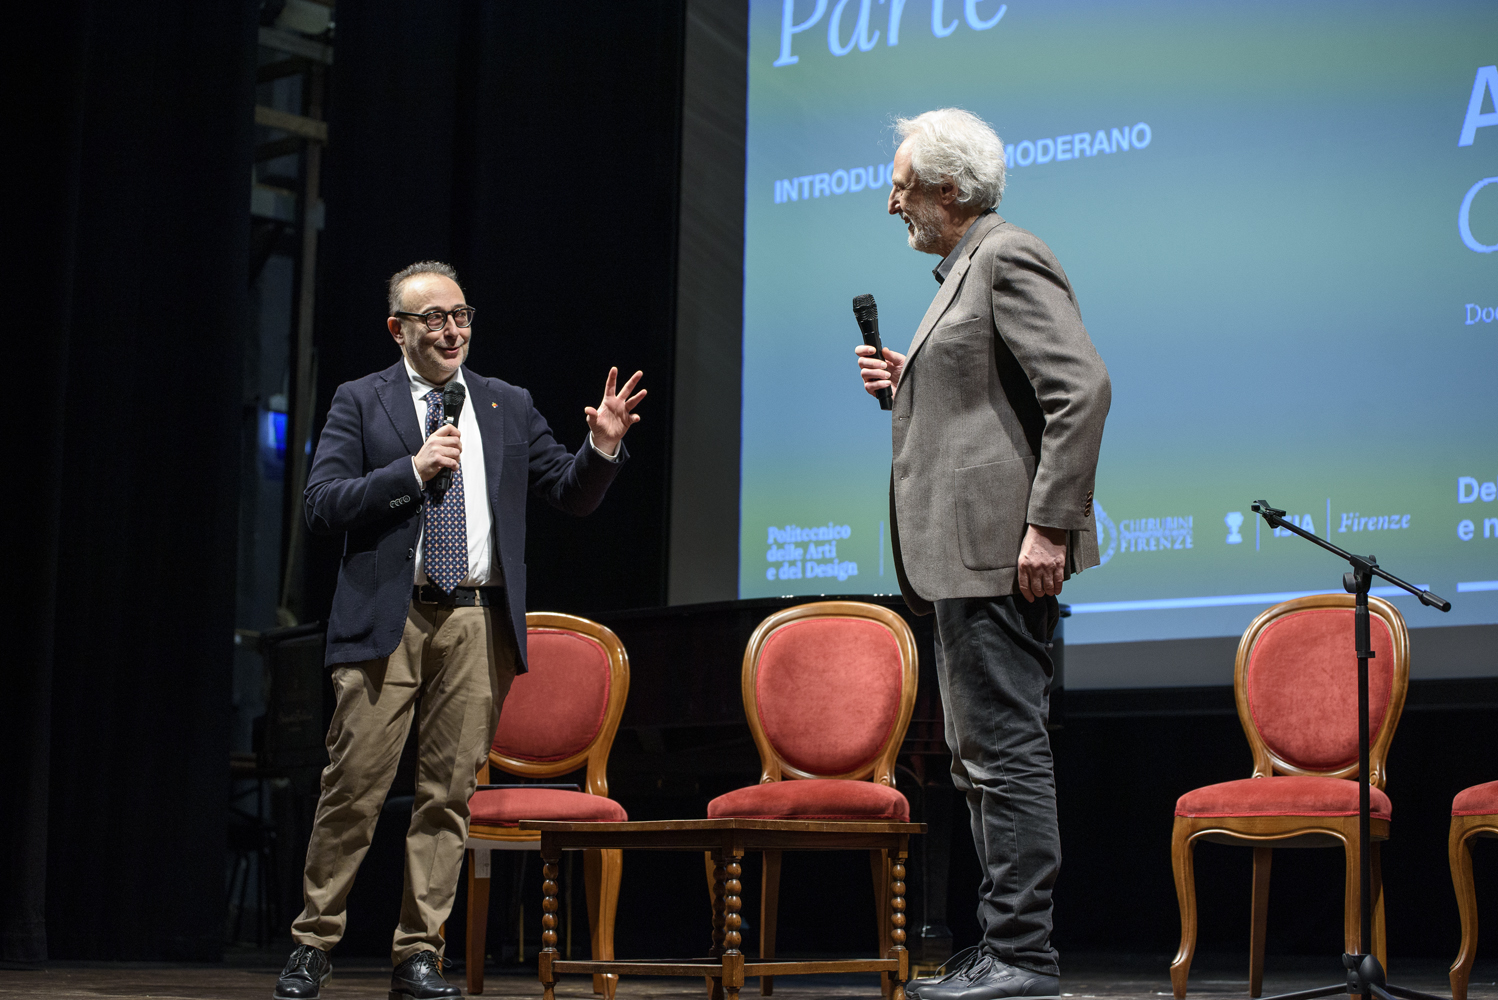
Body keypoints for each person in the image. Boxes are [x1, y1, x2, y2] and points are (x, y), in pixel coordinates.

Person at [274, 261, 645, 1000]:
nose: (453, 330)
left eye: (462, 316)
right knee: (353, 789)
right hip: (389, 620)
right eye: (435, 318)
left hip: (476, 620)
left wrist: (601, 448)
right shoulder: (361, 400)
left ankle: (419, 954)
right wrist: (410, 472)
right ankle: (313, 944)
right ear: (398, 329)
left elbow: (567, 493)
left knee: (446, 796)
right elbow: (321, 504)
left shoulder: (506, 403)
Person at [855, 109, 1110, 1000]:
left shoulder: (1007, 255)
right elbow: (987, 402)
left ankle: (1023, 956)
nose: (892, 203)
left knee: (1004, 755)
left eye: (903, 187)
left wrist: (1049, 526)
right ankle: (1005, 946)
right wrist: (912, 379)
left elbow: (1081, 390)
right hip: (964, 559)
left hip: (1001, 553)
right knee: (978, 760)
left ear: (949, 189)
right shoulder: (962, 268)